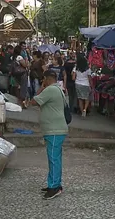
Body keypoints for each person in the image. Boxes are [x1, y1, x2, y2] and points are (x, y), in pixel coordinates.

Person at [30, 70, 69, 200]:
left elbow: (34, 101)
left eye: (43, 79)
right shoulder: (58, 89)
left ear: (46, 78)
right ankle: (53, 183)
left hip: (54, 130)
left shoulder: (50, 90)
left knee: (54, 159)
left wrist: (41, 87)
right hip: (55, 129)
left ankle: (55, 187)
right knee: (54, 158)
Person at [72, 53, 92, 117]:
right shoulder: (88, 69)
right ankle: (85, 109)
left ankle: (81, 111)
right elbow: (89, 78)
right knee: (86, 98)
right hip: (86, 84)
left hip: (78, 84)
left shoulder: (76, 68)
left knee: (80, 99)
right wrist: (91, 85)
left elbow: (73, 78)